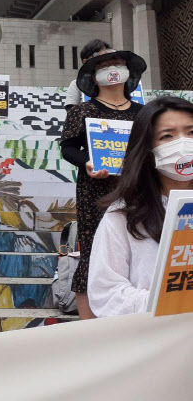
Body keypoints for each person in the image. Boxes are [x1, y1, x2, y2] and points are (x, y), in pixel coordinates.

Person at [61, 48, 147, 319]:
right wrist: (86, 162)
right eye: (105, 65)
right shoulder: (82, 111)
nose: (113, 68)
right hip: (95, 191)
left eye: (118, 64)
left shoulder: (144, 113)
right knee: (93, 251)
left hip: (139, 191)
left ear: (129, 73)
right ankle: (90, 328)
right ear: (94, 77)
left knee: (138, 245)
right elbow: (68, 147)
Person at [88, 96, 193, 317]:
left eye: (191, 132)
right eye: (167, 136)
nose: (183, 143)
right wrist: (168, 301)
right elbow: (105, 293)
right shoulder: (123, 214)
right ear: (147, 148)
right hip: (162, 339)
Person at [64, 39, 112, 110]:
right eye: (98, 55)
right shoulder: (76, 85)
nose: (104, 60)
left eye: (107, 55)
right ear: (85, 61)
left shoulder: (117, 84)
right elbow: (71, 114)